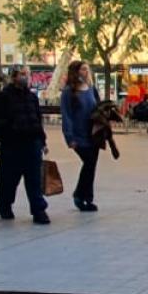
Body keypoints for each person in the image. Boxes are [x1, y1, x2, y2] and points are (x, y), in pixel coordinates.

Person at [0, 64, 49, 224]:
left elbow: (37, 120)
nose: (26, 77)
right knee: (8, 180)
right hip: (12, 145)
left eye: (27, 74)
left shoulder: (32, 97)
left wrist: (42, 141)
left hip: (32, 144)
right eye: (22, 74)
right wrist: (8, 127)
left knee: (34, 180)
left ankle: (39, 210)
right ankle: (4, 206)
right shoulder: (3, 97)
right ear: (14, 77)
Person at [58, 60, 101, 212]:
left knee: (91, 166)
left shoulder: (91, 89)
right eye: (83, 69)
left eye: (87, 69)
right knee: (88, 163)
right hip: (79, 136)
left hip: (93, 135)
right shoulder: (68, 92)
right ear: (75, 72)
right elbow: (67, 115)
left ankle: (87, 198)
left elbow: (98, 108)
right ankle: (79, 195)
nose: (86, 72)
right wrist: (69, 137)